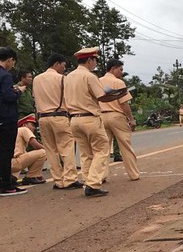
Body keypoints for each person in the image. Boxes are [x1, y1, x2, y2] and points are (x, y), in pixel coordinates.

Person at [64, 47, 110, 197]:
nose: (95, 63)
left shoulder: (68, 77)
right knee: (102, 150)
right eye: (95, 60)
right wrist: (116, 95)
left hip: (74, 119)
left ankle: (88, 182)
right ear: (89, 60)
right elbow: (101, 96)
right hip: (90, 118)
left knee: (85, 153)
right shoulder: (89, 76)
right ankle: (93, 183)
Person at [33, 53, 82, 190]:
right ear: (57, 64)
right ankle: (70, 179)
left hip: (42, 118)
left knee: (50, 150)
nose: (64, 68)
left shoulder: (36, 79)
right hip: (59, 115)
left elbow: (34, 98)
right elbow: (69, 97)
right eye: (63, 65)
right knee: (66, 148)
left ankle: (58, 180)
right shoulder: (62, 79)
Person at [99, 58, 139, 181]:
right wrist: (131, 119)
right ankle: (134, 174)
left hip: (101, 116)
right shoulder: (118, 82)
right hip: (116, 116)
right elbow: (124, 104)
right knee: (125, 145)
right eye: (120, 69)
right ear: (113, 68)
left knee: (103, 148)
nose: (121, 72)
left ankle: (101, 176)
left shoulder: (97, 81)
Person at [0, 47, 27, 196]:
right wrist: (18, 91)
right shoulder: (6, 76)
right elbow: (9, 97)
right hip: (7, 118)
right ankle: (6, 184)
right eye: (12, 62)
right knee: (6, 152)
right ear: (9, 60)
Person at [11, 114, 47, 185]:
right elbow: (35, 144)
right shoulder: (24, 129)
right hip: (15, 162)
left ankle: (11, 178)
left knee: (24, 154)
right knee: (43, 152)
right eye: (32, 125)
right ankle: (32, 176)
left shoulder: (15, 132)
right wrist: (48, 150)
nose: (34, 128)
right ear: (24, 124)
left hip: (7, 163)